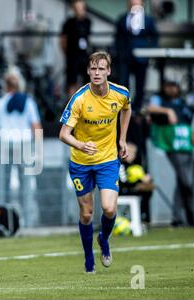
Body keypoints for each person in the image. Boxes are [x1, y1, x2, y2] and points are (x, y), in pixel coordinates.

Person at [59, 51, 132, 273]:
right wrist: (81, 145)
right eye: (93, 68)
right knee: (87, 213)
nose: (97, 73)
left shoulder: (121, 94)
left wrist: (122, 139)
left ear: (108, 71)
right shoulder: (79, 99)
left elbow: (126, 110)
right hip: (81, 162)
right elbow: (63, 134)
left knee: (109, 208)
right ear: (88, 71)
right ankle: (88, 258)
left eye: (101, 68)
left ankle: (104, 239)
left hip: (108, 159)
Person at [0, 70, 42, 227]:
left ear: (5, 85)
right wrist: (37, 148)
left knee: (4, 186)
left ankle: (5, 221)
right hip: (23, 143)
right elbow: (36, 126)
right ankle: (27, 222)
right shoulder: (28, 102)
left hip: (4, 144)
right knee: (26, 185)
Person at [144, 80, 194, 227]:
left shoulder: (182, 104)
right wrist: (168, 111)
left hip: (186, 146)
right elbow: (149, 108)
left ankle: (182, 218)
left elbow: (188, 128)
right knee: (186, 182)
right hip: (172, 146)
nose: (171, 89)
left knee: (183, 183)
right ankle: (187, 216)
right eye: (168, 86)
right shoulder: (160, 100)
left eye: (173, 86)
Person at [115, 0, 159, 114]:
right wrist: (119, 52)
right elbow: (117, 38)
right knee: (123, 82)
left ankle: (137, 108)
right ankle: (124, 107)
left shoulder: (148, 20)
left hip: (142, 57)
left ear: (142, 3)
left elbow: (154, 36)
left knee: (140, 84)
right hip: (125, 57)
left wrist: (150, 52)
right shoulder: (122, 19)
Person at [60, 0, 91, 98]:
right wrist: (67, 52)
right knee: (72, 80)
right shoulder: (69, 23)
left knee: (86, 78)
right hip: (72, 55)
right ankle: (72, 105)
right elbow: (63, 40)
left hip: (84, 54)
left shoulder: (87, 22)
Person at [119, 141, 154, 224]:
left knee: (148, 190)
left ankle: (142, 216)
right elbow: (123, 182)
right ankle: (134, 217)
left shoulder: (135, 165)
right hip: (122, 191)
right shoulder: (121, 165)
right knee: (142, 190)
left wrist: (146, 180)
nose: (133, 155)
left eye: (134, 153)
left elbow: (140, 176)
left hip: (133, 190)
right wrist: (138, 182)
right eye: (130, 153)